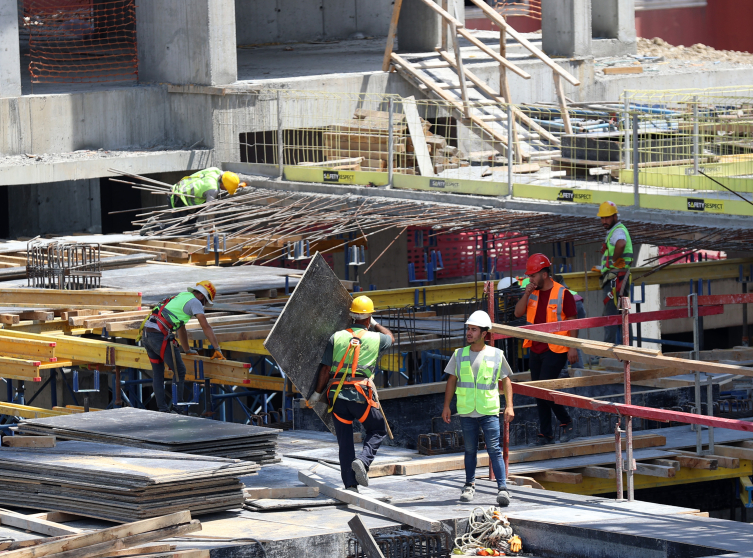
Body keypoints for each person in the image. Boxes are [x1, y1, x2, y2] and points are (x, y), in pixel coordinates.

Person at [309, 295, 395, 492]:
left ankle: (350, 485)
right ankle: (363, 462)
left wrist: (316, 394)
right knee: (377, 429)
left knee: (345, 441)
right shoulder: (376, 338)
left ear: (352, 317)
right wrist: (375, 324)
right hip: (360, 396)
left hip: (337, 397)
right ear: (368, 318)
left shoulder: (336, 337)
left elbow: (325, 369)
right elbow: (391, 337)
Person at [441, 310, 514, 507]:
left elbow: (506, 381)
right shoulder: (459, 354)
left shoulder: (496, 355)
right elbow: (451, 381)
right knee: (470, 450)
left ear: (484, 333)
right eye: (468, 329)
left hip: (488, 410)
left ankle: (503, 489)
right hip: (466, 411)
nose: (469, 333)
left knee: (494, 450)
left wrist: (509, 406)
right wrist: (447, 406)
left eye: (473, 329)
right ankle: (469, 485)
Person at [514, 254, 579, 445]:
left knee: (543, 386)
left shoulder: (563, 293)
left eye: (533, 276)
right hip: (536, 347)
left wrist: (572, 347)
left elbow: (574, 321)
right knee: (537, 390)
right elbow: (518, 312)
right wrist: (526, 293)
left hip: (557, 347)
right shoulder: (531, 292)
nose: (530, 280)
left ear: (544, 274)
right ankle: (546, 432)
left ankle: (566, 420)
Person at [141, 281, 226, 413]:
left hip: (147, 334)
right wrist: (217, 349)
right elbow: (206, 327)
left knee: (158, 373)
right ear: (202, 297)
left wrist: (187, 350)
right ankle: (178, 408)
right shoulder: (195, 302)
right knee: (180, 371)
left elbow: (181, 328)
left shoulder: (182, 296)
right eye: (204, 303)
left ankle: (162, 410)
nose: (203, 306)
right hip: (159, 336)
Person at [593, 201, 633, 345]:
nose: (604, 221)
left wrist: (614, 259)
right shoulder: (614, 231)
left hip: (615, 278)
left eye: (607, 218)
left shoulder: (618, 231)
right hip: (618, 276)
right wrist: (606, 263)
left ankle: (608, 352)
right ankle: (627, 347)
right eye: (602, 218)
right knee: (622, 312)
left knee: (611, 314)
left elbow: (621, 244)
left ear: (615, 216)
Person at [170, 168, 244, 208]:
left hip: (177, 187)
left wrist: (236, 185)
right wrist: (211, 227)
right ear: (223, 184)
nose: (226, 190)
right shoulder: (213, 190)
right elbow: (208, 209)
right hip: (178, 199)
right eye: (227, 188)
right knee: (185, 229)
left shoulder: (215, 170)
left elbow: (226, 177)